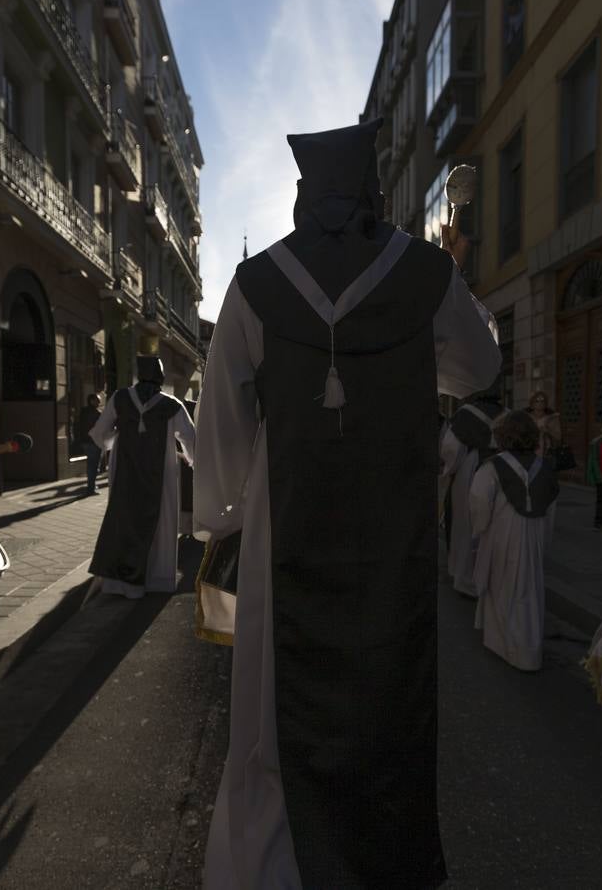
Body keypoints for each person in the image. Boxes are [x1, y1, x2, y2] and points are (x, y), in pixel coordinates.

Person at [192, 119, 499, 890]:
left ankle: (278, 865)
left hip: (280, 532)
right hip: (392, 540)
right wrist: (444, 287)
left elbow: (222, 420)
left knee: (273, 716)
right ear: (374, 194)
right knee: (387, 700)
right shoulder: (424, 272)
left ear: (303, 195)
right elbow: (479, 369)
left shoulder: (257, 283)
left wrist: (224, 520)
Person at [87, 350, 196, 599]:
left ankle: (120, 583)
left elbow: (100, 434)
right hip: (162, 476)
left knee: (122, 518)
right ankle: (155, 579)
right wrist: (193, 462)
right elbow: (190, 439)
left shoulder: (119, 398)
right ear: (159, 377)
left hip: (124, 473)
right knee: (160, 523)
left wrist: (115, 438)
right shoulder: (172, 405)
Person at [469, 410, 559, 672]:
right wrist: (544, 540)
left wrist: (480, 529)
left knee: (501, 585)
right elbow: (551, 508)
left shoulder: (493, 466)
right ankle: (529, 649)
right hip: (533, 535)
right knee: (528, 589)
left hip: (502, 533)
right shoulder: (544, 468)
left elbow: (479, 501)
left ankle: (505, 644)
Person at [441, 378, 506, 598]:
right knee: (492, 523)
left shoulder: (466, 412)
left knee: (464, 523)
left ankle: (465, 577)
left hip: (472, 467)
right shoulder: (507, 413)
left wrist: (450, 470)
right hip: (501, 468)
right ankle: (489, 576)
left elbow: (452, 447)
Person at [72, 393, 104, 495]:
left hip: (85, 441)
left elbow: (78, 426)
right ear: (91, 401)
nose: (99, 402)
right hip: (94, 441)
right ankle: (91, 488)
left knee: (91, 464)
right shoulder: (96, 413)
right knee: (93, 465)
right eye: (97, 400)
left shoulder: (83, 412)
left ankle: (91, 485)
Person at [179, 394, 198, 538]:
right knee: (188, 494)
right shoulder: (192, 408)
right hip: (189, 459)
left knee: (187, 494)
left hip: (186, 460)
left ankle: (188, 528)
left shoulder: (180, 407)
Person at [525, 390, 562, 455]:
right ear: (532, 404)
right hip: (529, 451)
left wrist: (548, 430)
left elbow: (558, 437)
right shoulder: (526, 417)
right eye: (537, 401)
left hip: (547, 452)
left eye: (542, 401)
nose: (540, 403)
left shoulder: (553, 418)